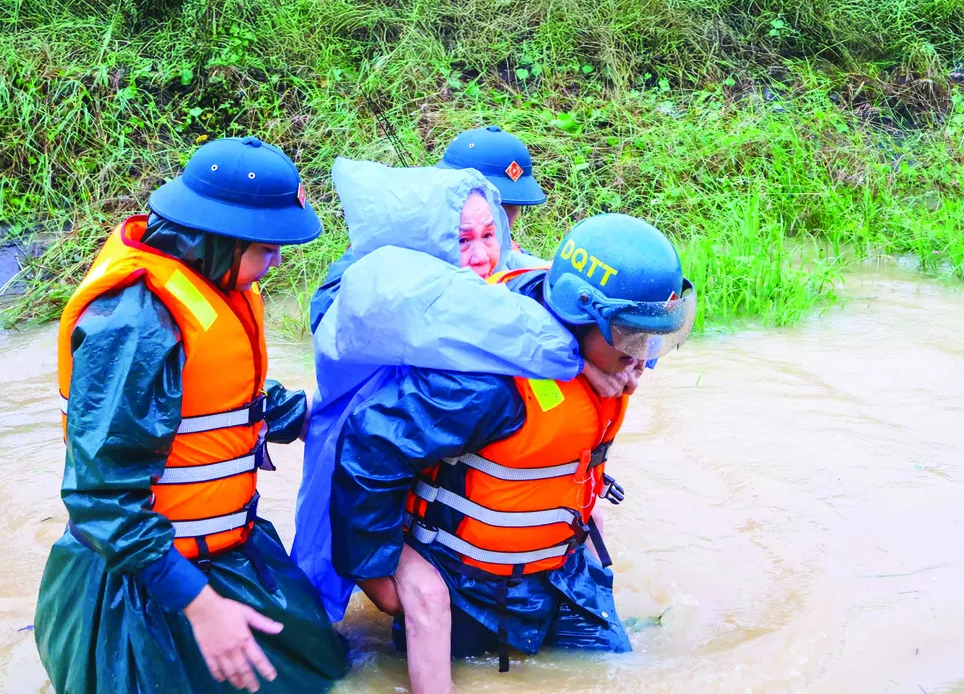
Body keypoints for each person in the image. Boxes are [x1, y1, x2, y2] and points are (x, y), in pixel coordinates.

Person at [35, 137, 349, 694]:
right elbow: (101, 498)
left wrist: (311, 417)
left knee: (329, 670)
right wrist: (200, 606)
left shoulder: (208, 278)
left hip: (226, 549)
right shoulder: (133, 326)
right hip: (143, 581)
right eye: (267, 248)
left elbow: (215, 400)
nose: (276, 262)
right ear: (221, 237)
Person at [329, 213, 696, 679]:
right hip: (466, 586)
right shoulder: (485, 384)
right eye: (632, 337)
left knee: (614, 673)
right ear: (578, 316)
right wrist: (379, 579)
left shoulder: (605, 349)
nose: (643, 357)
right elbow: (369, 446)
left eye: (654, 338)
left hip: (563, 574)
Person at [308, 125, 544, 335]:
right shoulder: (389, 247)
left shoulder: (512, 255)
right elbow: (326, 315)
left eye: (511, 208)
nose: (498, 217)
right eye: (494, 203)